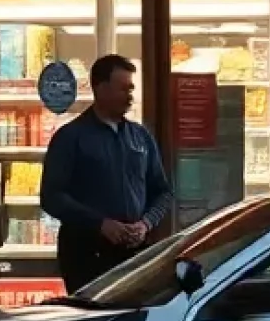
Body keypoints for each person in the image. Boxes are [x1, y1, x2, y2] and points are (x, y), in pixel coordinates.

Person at [40, 54, 175, 293]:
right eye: (123, 89)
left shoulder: (141, 137)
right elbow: (52, 197)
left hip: (135, 253)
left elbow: (162, 192)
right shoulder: (71, 138)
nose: (130, 95)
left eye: (131, 88)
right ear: (100, 89)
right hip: (86, 254)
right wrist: (100, 224)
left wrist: (146, 224)